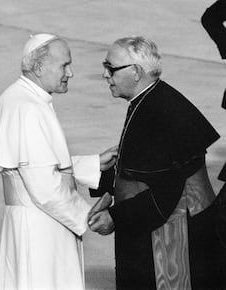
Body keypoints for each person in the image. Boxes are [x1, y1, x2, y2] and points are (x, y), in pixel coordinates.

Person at [0, 33, 117, 290]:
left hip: (33, 221)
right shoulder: (28, 109)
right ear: (39, 67)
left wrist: (92, 164)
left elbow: (33, 165)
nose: (71, 73)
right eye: (65, 64)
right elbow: (45, 187)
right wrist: (90, 216)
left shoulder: (20, 97)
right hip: (40, 229)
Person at [88, 36, 221, 289]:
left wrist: (115, 217)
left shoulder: (161, 111)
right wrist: (104, 184)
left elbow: (165, 192)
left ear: (136, 72)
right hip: (153, 224)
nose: (105, 75)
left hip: (170, 238)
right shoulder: (150, 100)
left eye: (111, 68)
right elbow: (139, 170)